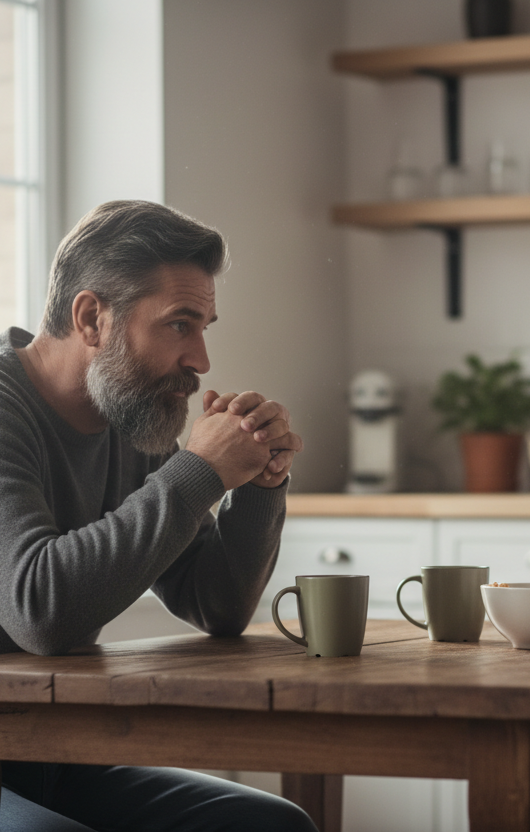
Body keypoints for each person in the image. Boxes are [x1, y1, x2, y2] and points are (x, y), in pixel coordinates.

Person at [0, 200, 316, 831]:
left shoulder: (131, 422)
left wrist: (256, 482)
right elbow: (37, 609)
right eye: (180, 324)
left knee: (271, 826)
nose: (201, 359)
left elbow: (216, 605)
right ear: (91, 317)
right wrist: (198, 471)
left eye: (205, 327)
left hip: (54, 750)